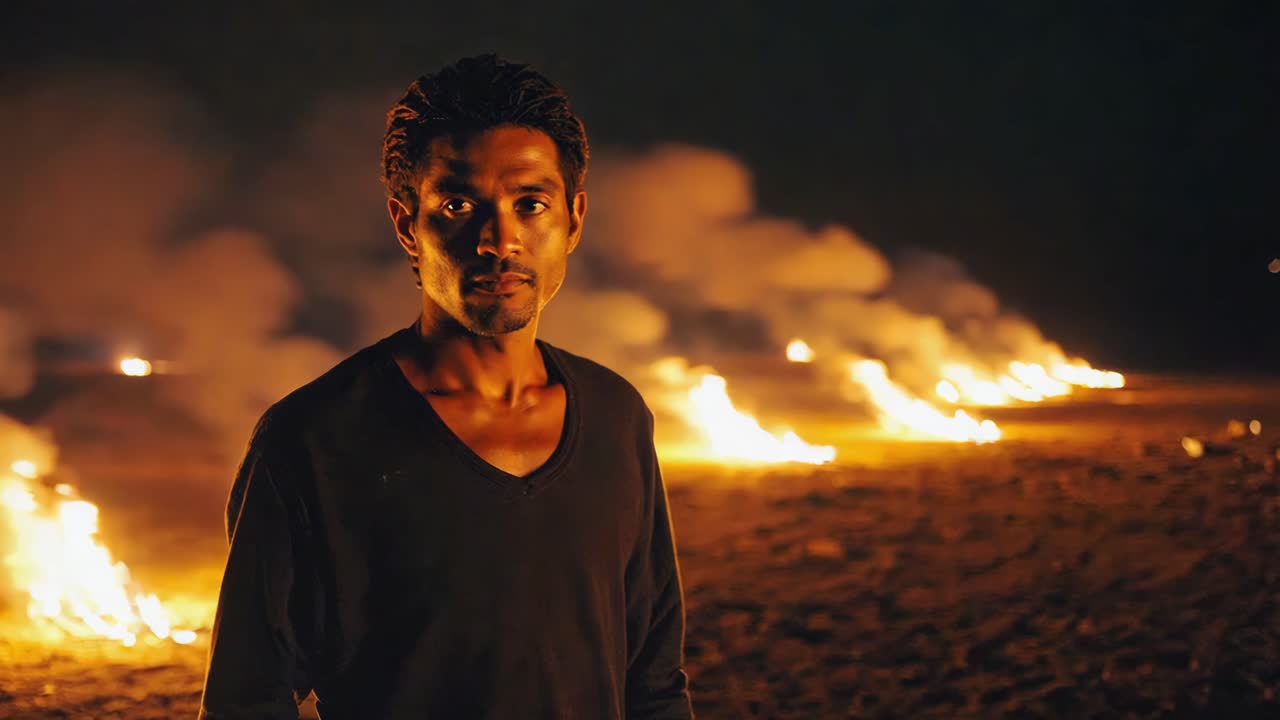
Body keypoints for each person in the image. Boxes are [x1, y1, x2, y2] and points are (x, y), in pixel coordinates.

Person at [199, 55, 693, 719]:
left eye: (531, 205)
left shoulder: (615, 417)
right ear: (408, 223)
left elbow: (654, 681)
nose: (499, 240)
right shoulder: (315, 442)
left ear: (573, 220)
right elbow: (246, 701)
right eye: (459, 205)